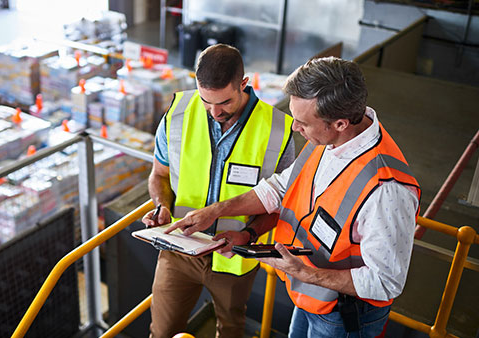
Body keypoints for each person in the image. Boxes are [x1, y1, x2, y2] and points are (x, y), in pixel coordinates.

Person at [166, 57, 421, 338]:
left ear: (339, 123)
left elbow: (385, 281)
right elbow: (278, 188)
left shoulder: (388, 190)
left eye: (302, 122)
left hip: (344, 317)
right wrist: (216, 212)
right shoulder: (328, 140)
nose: (295, 128)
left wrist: (305, 272)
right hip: (310, 298)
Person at [141, 43, 295, 338]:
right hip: (179, 249)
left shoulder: (279, 130)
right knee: (162, 333)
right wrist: (162, 206)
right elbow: (159, 174)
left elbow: (283, 204)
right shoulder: (178, 114)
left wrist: (249, 235)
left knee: (231, 331)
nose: (214, 111)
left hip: (234, 255)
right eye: (205, 101)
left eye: (224, 102)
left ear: (243, 84)